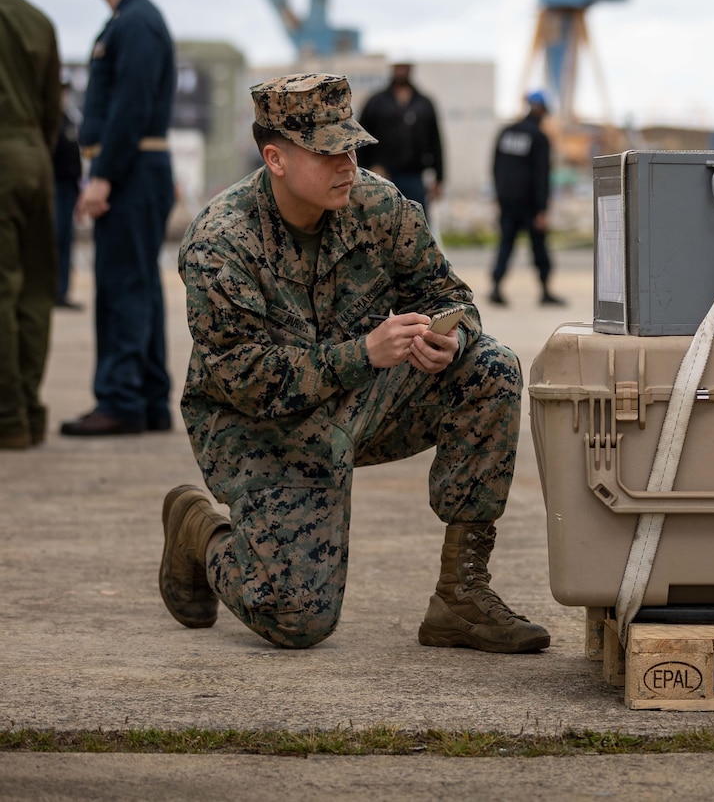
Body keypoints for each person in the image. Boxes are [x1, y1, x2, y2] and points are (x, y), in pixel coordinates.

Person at [158, 73, 550, 655]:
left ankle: (461, 597)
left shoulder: (377, 205)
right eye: (327, 151)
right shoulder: (221, 243)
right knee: (296, 622)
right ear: (277, 158)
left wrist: (452, 336)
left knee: (489, 366)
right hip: (259, 428)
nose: (347, 164)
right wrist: (363, 353)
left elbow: (448, 295)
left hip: (357, 401)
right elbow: (245, 380)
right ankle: (201, 531)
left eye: (351, 147)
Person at [61, 0, 177, 436]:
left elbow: (130, 107)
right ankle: (147, 398)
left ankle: (121, 398)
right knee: (139, 282)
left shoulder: (135, 24)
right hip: (137, 167)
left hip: (129, 170)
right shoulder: (131, 21)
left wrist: (103, 176)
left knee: (122, 284)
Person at [0, 0, 62, 450]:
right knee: (37, 287)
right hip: (33, 158)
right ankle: (31, 411)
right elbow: (51, 112)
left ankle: (7, 418)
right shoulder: (37, 20)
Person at [489, 90, 563, 306]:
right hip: (531, 205)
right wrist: (542, 209)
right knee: (538, 247)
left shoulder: (506, 132)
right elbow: (542, 175)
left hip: (507, 201)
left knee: (505, 245)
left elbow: (495, 167)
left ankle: (496, 287)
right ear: (542, 110)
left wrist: (499, 197)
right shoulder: (539, 137)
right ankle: (545, 291)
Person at [356, 61, 444, 226]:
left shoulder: (424, 103)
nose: (401, 71)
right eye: (398, 67)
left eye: (405, 67)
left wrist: (439, 177)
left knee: (418, 225)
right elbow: (361, 139)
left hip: (414, 176)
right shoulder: (376, 102)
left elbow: (435, 141)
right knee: (382, 225)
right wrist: (367, 170)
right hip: (382, 178)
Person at [53, 79, 84, 310]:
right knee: (54, 240)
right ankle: (52, 290)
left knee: (64, 241)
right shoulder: (50, 121)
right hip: (54, 188)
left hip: (68, 189)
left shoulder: (69, 120)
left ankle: (61, 291)